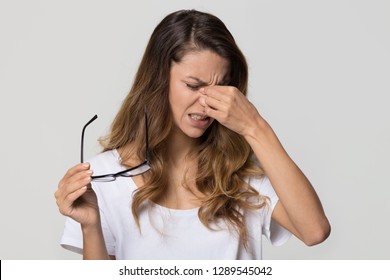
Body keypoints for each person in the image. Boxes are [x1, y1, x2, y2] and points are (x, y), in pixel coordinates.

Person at [55, 9, 330, 260]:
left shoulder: (242, 173)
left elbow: (314, 231)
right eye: (193, 85)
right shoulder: (104, 177)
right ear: (158, 80)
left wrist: (253, 125)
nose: (207, 103)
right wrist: (90, 226)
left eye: (221, 88)